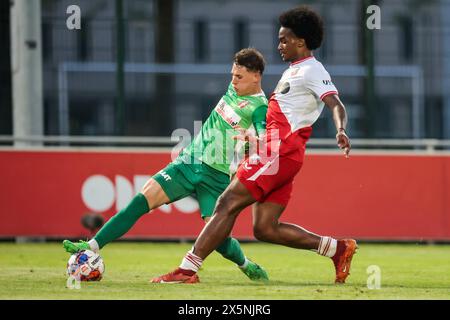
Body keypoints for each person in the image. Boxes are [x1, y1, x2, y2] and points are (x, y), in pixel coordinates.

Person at [151, 6, 357, 285]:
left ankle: (187, 270)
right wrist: (257, 140)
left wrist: (341, 129)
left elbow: (335, 102)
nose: (279, 45)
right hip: (278, 152)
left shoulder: (312, 70)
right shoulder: (294, 71)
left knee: (226, 203)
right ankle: (336, 248)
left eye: (284, 39)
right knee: (265, 228)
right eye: (279, 39)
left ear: (301, 41)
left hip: (279, 152)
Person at [63, 48, 270, 282]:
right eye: (232, 75)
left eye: (239, 77)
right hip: (187, 162)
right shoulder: (234, 90)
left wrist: (250, 140)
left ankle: (245, 264)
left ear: (256, 76)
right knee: (141, 200)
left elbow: (263, 139)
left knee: (218, 239)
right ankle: (92, 246)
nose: (233, 81)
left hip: (216, 176)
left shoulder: (259, 106)